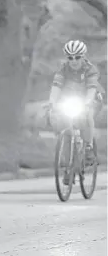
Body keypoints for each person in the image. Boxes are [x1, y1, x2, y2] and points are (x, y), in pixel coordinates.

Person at [47, 40, 105, 175]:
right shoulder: (63, 69)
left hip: (91, 98)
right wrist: (52, 102)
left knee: (87, 115)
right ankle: (67, 164)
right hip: (72, 98)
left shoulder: (90, 69)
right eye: (70, 57)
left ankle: (89, 147)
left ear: (83, 56)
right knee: (66, 126)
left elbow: (91, 88)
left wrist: (87, 103)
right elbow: (56, 86)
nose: (74, 61)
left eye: (77, 57)